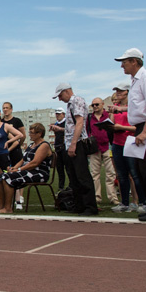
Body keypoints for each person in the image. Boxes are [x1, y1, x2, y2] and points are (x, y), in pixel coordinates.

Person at [113, 48, 146, 222]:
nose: (122, 65)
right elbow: (140, 105)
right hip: (142, 125)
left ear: (134, 61)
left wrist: (144, 132)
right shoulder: (135, 81)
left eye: (125, 62)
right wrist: (122, 109)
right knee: (139, 167)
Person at [53, 82, 98, 215]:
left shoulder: (77, 101)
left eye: (60, 95)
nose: (60, 99)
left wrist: (73, 144)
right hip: (70, 144)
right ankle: (79, 205)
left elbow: (79, 123)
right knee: (74, 177)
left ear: (67, 91)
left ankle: (90, 206)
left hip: (77, 143)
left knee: (82, 176)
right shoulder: (70, 104)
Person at [0, 123, 54, 213]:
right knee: (0, 177)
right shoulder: (30, 145)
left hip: (39, 173)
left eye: (32, 133)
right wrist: (13, 168)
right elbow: (22, 160)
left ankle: (8, 208)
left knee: (7, 178)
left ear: (39, 133)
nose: (29, 134)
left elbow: (35, 163)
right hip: (26, 171)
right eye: (29, 132)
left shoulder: (44, 145)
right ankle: (1, 206)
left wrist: (19, 169)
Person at [108, 83, 146, 213]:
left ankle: (142, 202)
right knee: (121, 175)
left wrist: (122, 128)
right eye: (116, 91)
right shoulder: (117, 107)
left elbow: (138, 128)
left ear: (127, 92)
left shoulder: (133, 107)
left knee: (135, 174)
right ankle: (124, 203)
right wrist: (111, 117)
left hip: (130, 142)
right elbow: (112, 124)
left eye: (120, 91)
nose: (118, 93)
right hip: (117, 143)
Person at [86, 98, 118, 206]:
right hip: (94, 148)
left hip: (107, 146)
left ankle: (113, 197)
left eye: (97, 104)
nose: (95, 106)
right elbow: (87, 131)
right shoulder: (90, 117)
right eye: (93, 105)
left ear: (102, 104)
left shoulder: (108, 115)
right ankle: (96, 197)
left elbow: (113, 127)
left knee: (111, 174)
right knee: (94, 174)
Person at [1, 102, 26, 207]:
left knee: (18, 172)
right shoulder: (1, 122)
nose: (5, 110)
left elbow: (23, 135)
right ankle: (7, 197)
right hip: (4, 151)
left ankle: (19, 197)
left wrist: (18, 144)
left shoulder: (17, 121)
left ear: (11, 109)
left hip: (15, 151)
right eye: (3, 108)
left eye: (7, 108)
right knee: (5, 173)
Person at [48, 107, 68, 191]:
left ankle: (71, 185)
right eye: (56, 114)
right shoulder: (57, 123)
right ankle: (61, 186)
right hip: (57, 147)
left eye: (59, 114)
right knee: (59, 168)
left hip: (65, 147)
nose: (57, 116)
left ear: (63, 114)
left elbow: (69, 131)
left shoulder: (66, 123)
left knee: (68, 167)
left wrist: (59, 129)